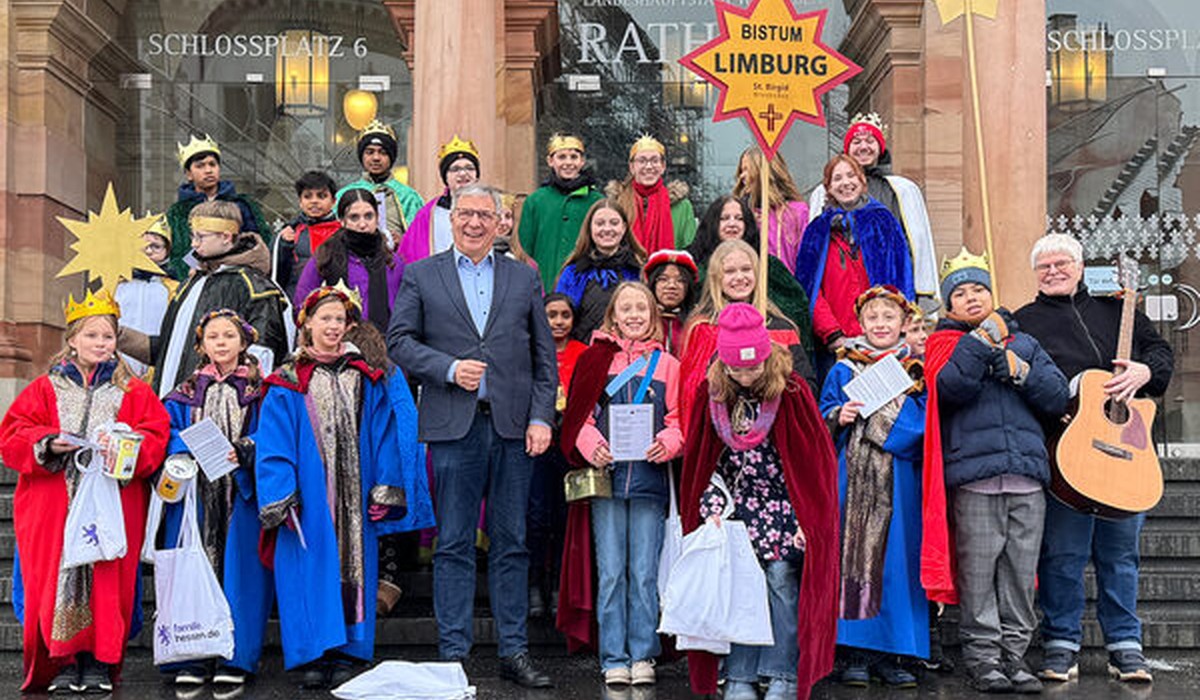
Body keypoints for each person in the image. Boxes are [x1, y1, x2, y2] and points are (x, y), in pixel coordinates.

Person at [388, 183, 557, 688]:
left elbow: (543, 359)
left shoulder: (523, 278)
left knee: (512, 542)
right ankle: (453, 653)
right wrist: (445, 367)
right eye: (466, 214)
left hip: (511, 426)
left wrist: (541, 418)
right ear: (452, 218)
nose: (475, 223)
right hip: (452, 425)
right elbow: (399, 341)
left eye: (486, 214)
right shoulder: (422, 274)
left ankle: (514, 650)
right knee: (454, 542)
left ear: (501, 222)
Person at [1014, 234, 1173, 684]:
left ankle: (1126, 646)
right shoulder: (1024, 322)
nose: (1054, 271)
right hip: (1068, 457)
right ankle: (1060, 643)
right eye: (1044, 266)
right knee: (1062, 555)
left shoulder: (1117, 311)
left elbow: (1159, 352)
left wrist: (1146, 371)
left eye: (1062, 262)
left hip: (1126, 455)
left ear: (1081, 266)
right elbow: (1021, 382)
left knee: (1120, 557)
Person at [0, 290, 170, 693]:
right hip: (55, 503)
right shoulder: (44, 388)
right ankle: (63, 660)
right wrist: (48, 442)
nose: (100, 343)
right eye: (91, 336)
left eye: (107, 337)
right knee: (58, 576)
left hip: (112, 501)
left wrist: (129, 447)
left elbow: (157, 434)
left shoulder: (133, 391)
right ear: (72, 339)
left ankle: (99, 661)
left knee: (107, 578)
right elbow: (12, 435)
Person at [255, 284, 415, 689]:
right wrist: (281, 493)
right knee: (307, 567)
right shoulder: (287, 381)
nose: (332, 326)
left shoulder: (366, 378)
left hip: (355, 496)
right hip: (308, 499)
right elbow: (273, 442)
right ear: (306, 324)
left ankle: (349, 650)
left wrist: (386, 485)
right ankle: (312, 651)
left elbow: (383, 433)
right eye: (325, 318)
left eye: (339, 320)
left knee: (355, 565)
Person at [924, 249, 1069, 694]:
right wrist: (980, 344)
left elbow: (1058, 397)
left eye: (979, 290)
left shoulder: (1024, 343)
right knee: (980, 574)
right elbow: (950, 389)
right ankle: (983, 657)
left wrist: (1020, 371)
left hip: (1027, 476)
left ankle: (1015, 655)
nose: (971, 298)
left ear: (992, 294)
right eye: (961, 293)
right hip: (975, 479)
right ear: (948, 306)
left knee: (1021, 576)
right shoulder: (944, 345)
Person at [680, 302, 840, 700]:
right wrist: (711, 508)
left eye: (753, 368)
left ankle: (782, 672)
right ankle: (739, 675)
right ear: (724, 363)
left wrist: (809, 517)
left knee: (781, 584)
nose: (747, 375)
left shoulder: (791, 391)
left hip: (784, 505)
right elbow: (702, 458)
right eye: (738, 369)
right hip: (735, 509)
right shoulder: (713, 394)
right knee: (738, 589)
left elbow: (811, 459)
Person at [559, 281, 683, 686]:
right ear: (613, 315)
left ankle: (643, 653)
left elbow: (679, 421)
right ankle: (614, 655)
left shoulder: (669, 365)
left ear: (652, 316)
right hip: (608, 483)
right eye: (625, 308)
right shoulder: (595, 360)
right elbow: (580, 418)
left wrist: (668, 443)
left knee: (644, 573)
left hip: (649, 483)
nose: (633, 315)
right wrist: (592, 445)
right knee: (611, 572)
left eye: (641, 309)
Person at [818, 286, 928, 688]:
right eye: (872, 319)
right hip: (852, 477)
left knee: (897, 563)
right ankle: (854, 654)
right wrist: (838, 416)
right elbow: (820, 417)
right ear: (860, 324)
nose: (880, 324)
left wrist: (874, 421)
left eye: (888, 318)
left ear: (902, 324)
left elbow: (921, 423)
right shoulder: (843, 369)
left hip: (899, 481)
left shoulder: (916, 369)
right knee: (853, 557)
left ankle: (893, 653)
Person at [157, 309, 271, 688]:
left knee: (241, 575)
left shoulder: (261, 391)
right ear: (202, 345)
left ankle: (235, 656)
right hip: (195, 498)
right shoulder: (184, 392)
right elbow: (167, 432)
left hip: (240, 495)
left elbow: (271, 433)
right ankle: (190, 654)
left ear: (244, 342)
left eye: (229, 336)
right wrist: (183, 449)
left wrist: (246, 450)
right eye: (213, 337)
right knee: (192, 571)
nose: (221, 342)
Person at [122, 201, 290, 397]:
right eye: (193, 236)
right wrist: (119, 335)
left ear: (226, 237)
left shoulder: (255, 288)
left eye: (200, 237)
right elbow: (167, 350)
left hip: (220, 406)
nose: (193, 244)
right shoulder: (192, 283)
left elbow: (262, 356)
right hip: (173, 408)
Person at [679, 239, 815, 436]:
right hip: (722, 435)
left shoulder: (781, 327)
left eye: (746, 269)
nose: (739, 277)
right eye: (730, 272)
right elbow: (693, 393)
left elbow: (805, 386)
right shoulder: (702, 328)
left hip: (775, 432)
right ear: (717, 277)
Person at [796, 154, 914, 377]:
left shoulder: (884, 222)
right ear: (829, 188)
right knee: (842, 409)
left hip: (881, 340)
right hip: (836, 345)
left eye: (851, 175)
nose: (845, 183)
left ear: (862, 181)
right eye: (837, 178)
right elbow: (809, 289)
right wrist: (832, 334)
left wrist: (893, 326)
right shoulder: (816, 231)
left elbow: (901, 276)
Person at [808, 113, 939, 301]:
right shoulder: (823, 192)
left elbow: (917, 244)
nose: (863, 147)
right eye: (856, 141)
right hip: (841, 288)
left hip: (889, 287)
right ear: (847, 149)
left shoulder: (903, 190)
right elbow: (815, 250)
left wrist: (921, 295)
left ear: (880, 147)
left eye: (870, 140)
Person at [687, 195, 813, 351]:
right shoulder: (695, 266)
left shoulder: (769, 266)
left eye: (739, 218)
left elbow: (796, 306)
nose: (732, 223)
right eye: (724, 218)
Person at [526, 294, 587, 619]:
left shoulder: (583, 353)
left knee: (565, 518)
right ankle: (535, 582)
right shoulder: (530, 352)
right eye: (552, 315)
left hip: (571, 447)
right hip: (537, 447)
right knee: (536, 517)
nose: (559, 321)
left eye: (565, 315)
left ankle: (559, 587)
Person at [294, 187, 405, 335]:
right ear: (342, 221)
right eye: (354, 217)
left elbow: (406, 311)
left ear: (377, 218)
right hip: (338, 347)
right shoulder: (324, 257)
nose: (362, 224)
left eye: (368, 216)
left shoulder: (393, 262)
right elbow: (301, 307)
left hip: (388, 348)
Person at [165, 134, 268, 280]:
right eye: (200, 166)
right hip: (193, 279)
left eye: (212, 164)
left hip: (235, 277)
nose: (208, 170)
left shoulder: (242, 206)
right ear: (189, 174)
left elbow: (256, 243)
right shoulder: (178, 213)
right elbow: (175, 253)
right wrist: (193, 269)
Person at [519, 133, 605, 292]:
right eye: (562, 157)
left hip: (585, 285)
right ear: (550, 161)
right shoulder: (535, 201)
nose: (568, 162)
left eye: (574, 157)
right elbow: (525, 249)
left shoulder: (597, 201)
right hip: (544, 285)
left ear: (582, 161)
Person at [554, 199, 647, 343]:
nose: (607, 229)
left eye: (614, 223)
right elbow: (559, 317)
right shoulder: (574, 272)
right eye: (600, 223)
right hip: (583, 354)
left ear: (623, 228)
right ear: (590, 229)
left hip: (630, 358)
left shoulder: (638, 271)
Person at [336, 120, 424, 251]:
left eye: (382, 152)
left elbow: (421, 237)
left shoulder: (409, 197)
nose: (376, 158)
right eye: (370, 152)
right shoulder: (344, 194)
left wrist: (403, 240)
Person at [606, 135, 696, 254]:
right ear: (632, 167)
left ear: (663, 166)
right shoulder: (616, 204)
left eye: (654, 160)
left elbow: (690, 251)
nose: (649, 166)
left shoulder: (682, 206)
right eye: (642, 161)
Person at [400, 135, 481, 264]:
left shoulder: (491, 207)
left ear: (477, 175)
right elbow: (410, 253)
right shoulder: (429, 213)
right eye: (455, 169)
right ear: (445, 178)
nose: (463, 174)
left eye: (469, 168)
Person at [114, 215, 178, 377]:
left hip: (159, 367)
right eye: (143, 245)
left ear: (166, 251)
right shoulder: (114, 286)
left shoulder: (175, 289)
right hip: (117, 367)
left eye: (156, 246)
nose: (148, 251)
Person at [732, 146, 810, 275]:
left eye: (746, 169)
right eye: (741, 170)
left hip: (788, 289)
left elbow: (805, 260)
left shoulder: (797, 212)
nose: (742, 176)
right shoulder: (741, 213)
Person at [273, 171, 342, 299]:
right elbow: (277, 276)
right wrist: (284, 246)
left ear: (333, 201)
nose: (314, 201)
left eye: (321, 196)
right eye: (308, 196)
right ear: (300, 201)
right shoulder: (289, 233)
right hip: (296, 301)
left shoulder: (343, 233)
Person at [642, 249, 698, 355]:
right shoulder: (640, 320)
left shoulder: (697, 323)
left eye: (680, 280)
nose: (671, 286)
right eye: (663, 279)